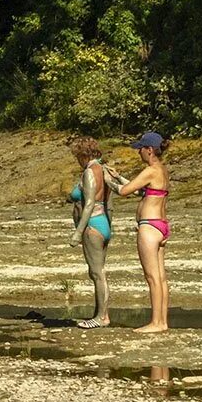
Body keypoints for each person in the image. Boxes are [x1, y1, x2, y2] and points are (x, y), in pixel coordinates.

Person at [106, 131, 170, 334]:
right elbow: (139, 190)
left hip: (149, 227)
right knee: (160, 278)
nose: (138, 152)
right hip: (160, 225)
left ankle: (156, 323)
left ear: (149, 150)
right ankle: (162, 321)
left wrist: (105, 178)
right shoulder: (161, 170)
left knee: (152, 278)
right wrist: (119, 177)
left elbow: (124, 192)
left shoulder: (150, 170)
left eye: (140, 149)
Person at [68, 137, 112, 329]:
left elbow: (89, 204)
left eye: (78, 156)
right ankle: (101, 313)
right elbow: (109, 202)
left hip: (92, 224)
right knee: (97, 272)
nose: (77, 160)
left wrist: (78, 233)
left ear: (84, 154)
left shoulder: (90, 172)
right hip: (102, 222)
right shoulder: (103, 169)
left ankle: (101, 317)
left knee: (97, 272)